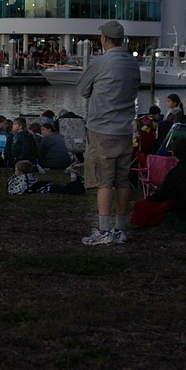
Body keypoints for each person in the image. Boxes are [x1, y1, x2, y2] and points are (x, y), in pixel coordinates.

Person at [76, 20, 141, 245]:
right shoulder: (133, 64)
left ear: (104, 39)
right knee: (122, 180)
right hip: (124, 129)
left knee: (104, 181)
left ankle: (104, 230)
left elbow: (83, 90)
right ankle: (119, 229)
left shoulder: (101, 62)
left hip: (101, 128)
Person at [131, 138, 186, 232]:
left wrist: (148, 200)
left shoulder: (175, 173)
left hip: (185, 220)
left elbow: (162, 195)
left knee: (145, 207)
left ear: (173, 153)